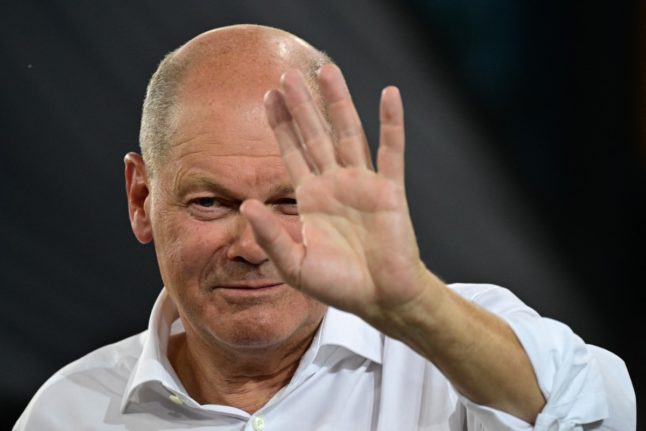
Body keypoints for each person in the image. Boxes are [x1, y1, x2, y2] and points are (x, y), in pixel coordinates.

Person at [14, 24, 635, 430]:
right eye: (210, 203)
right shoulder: (68, 413)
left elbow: (601, 414)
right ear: (141, 199)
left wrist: (416, 305)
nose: (255, 247)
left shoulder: (451, 348)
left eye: (291, 202)